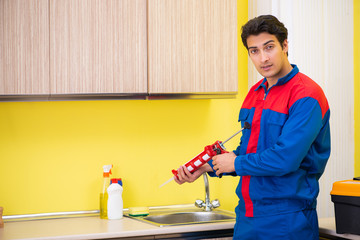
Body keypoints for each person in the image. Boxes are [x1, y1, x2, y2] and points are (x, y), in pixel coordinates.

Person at [174, 15, 331, 240]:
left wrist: (235, 162)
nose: (263, 58)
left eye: (269, 47)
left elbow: (285, 158)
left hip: (288, 220)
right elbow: (248, 153)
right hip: (247, 217)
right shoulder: (255, 93)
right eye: (254, 51)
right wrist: (208, 167)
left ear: (285, 45)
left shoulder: (306, 96)